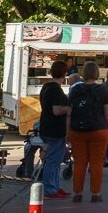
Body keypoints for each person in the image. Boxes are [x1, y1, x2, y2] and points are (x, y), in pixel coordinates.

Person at [67, 60, 108, 202]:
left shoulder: (75, 90)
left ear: (83, 73)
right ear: (97, 73)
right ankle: (96, 193)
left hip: (77, 131)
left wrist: (67, 132)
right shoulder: (102, 90)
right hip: (99, 130)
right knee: (97, 163)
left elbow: (69, 113)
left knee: (80, 163)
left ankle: (77, 193)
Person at [39, 60, 70, 199]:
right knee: (53, 160)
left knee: (55, 160)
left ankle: (55, 186)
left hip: (46, 127)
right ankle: (50, 188)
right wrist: (69, 108)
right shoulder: (56, 90)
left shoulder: (46, 87)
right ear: (65, 73)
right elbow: (57, 111)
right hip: (55, 130)